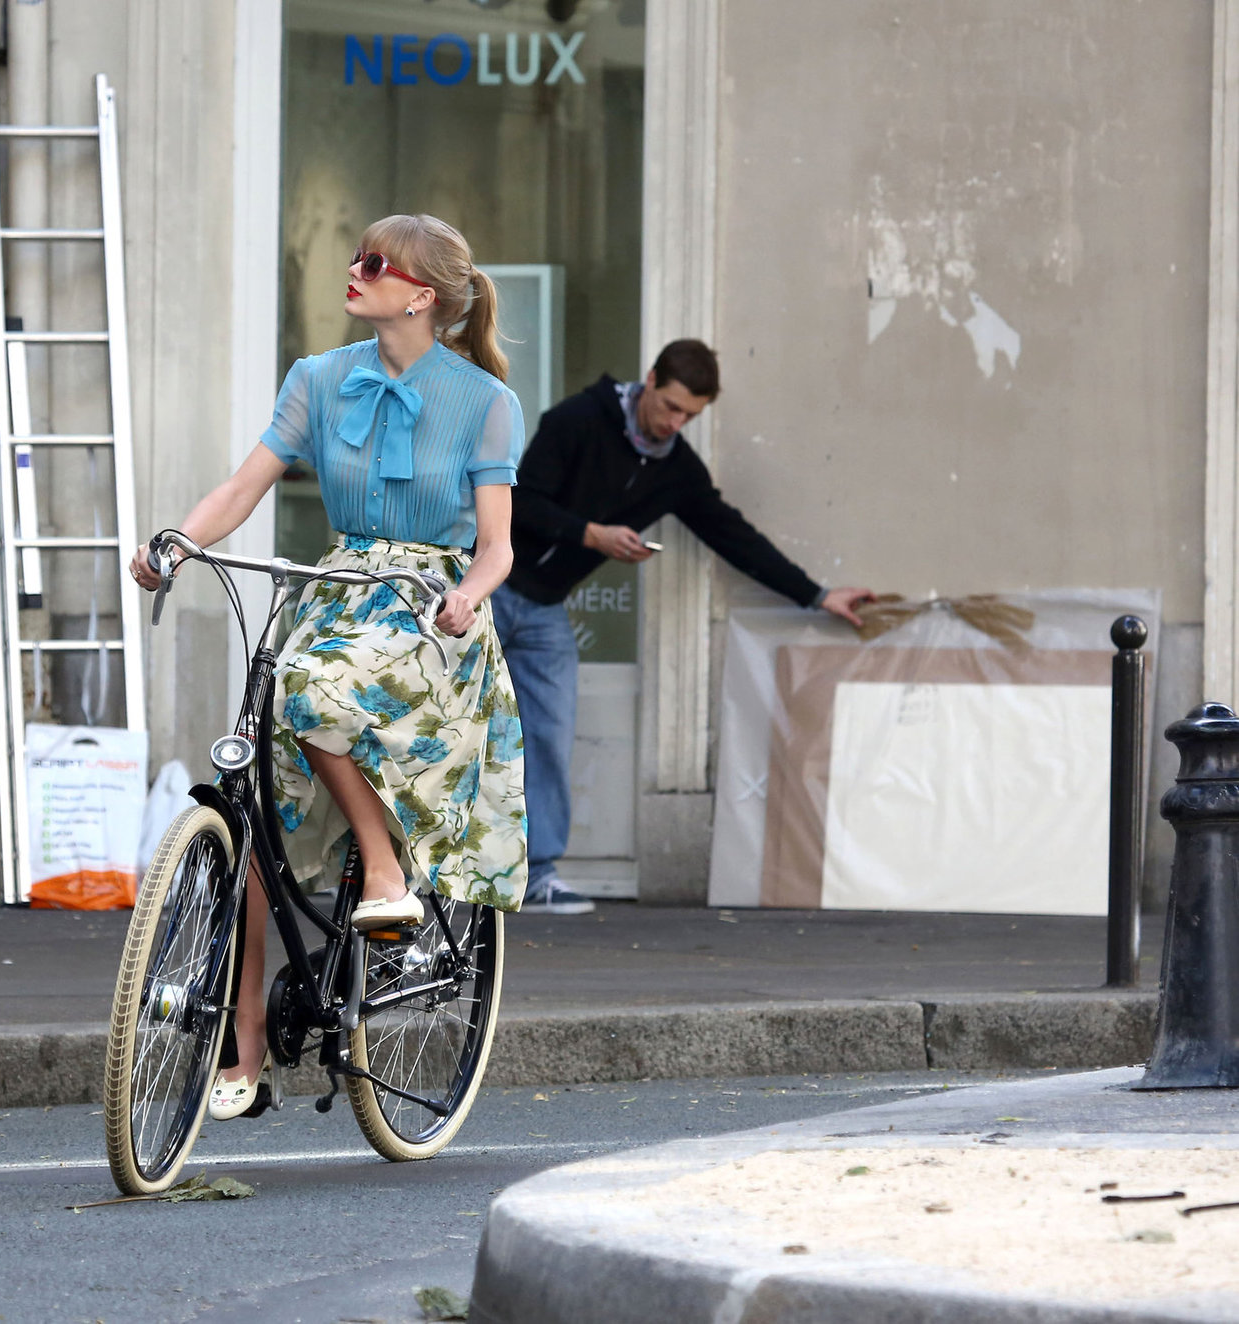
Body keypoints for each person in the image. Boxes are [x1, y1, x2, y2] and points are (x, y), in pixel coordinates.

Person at [129, 214, 528, 1120]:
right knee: (259, 788)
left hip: (428, 614)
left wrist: (467, 592)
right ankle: (244, 1048)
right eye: (356, 256)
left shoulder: (483, 400)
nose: (354, 270)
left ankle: (383, 872)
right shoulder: (317, 379)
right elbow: (241, 488)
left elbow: (500, 547)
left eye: (374, 263)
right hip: (335, 592)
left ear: (420, 294)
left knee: (307, 692)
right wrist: (180, 541)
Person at [493, 338, 875, 915]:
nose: (675, 423)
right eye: (670, 406)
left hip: (546, 609)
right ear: (649, 379)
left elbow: (733, 534)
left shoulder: (676, 471)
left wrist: (817, 595)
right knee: (453, 728)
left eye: (690, 415)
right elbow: (519, 503)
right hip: (486, 592)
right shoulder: (577, 420)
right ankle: (415, 871)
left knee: (548, 734)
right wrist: (592, 534)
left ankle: (538, 873)